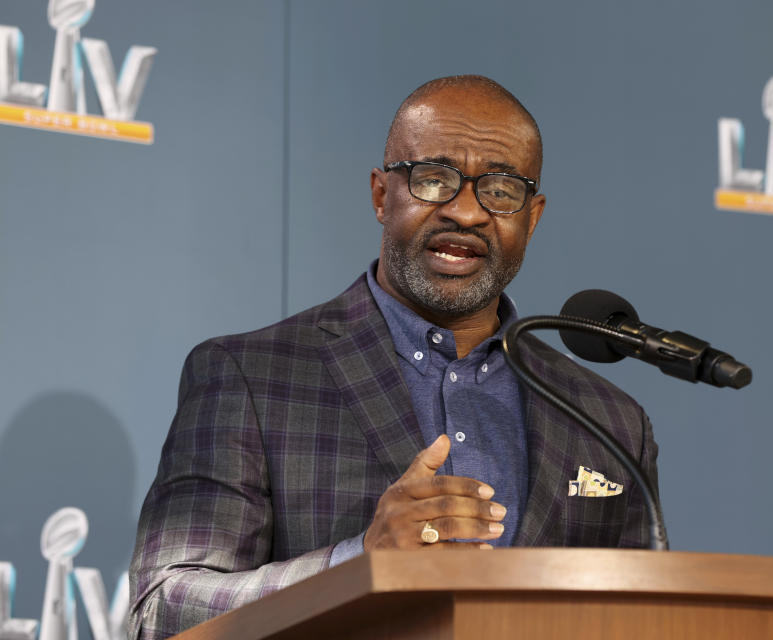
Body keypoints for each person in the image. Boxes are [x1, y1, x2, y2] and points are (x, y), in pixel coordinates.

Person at [128, 75, 665, 640]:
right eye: (435, 180)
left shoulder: (608, 422)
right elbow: (164, 610)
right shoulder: (250, 378)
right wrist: (359, 562)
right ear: (383, 196)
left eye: (501, 190)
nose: (467, 212)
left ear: (531, 218)